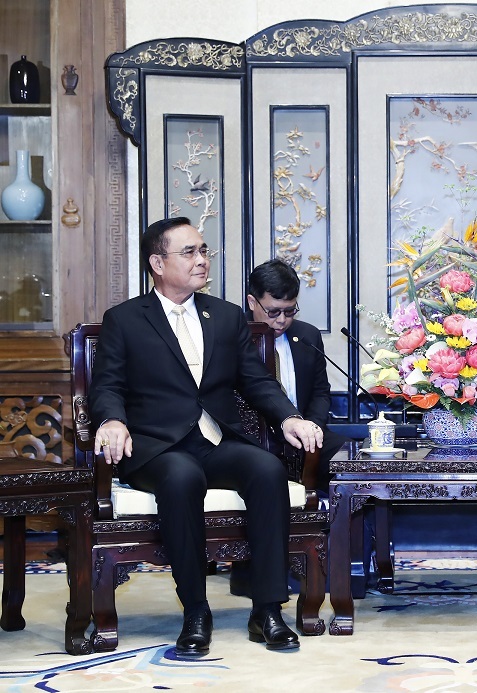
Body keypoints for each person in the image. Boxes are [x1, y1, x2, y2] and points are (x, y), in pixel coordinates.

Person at [90, 217, 323, 656]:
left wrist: (289, 417)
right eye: (189, 252)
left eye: (203, 250)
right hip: (157, 447)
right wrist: (112, 421)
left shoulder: (225, 316)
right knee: (182, 477)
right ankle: (196, 610)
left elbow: (256, 381)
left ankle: (267, 610)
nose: (202, 260)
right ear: (158, 263)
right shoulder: (125, 319)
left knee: (267, 469)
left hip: (215, 441)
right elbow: (107, 385)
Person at [228, 258, 348, 598]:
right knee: (261, 471)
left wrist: (313, 427)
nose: (282, 320)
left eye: (289, 311)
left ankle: (344, 568)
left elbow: (321, 392)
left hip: (305, 437)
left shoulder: (306, 335)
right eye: (273, 311)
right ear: (252, 302)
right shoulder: (232, 336)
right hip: (252, 440)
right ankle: (257, 574)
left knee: (352, 465)